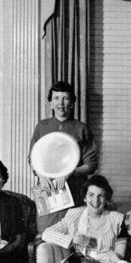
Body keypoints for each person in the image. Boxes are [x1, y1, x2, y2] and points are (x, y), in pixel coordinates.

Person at [29, 81, 99, 232]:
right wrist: (40, 175)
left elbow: (91, 163)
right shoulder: (42, 126)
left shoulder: (81, 129)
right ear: (51, 103)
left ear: (72, 103)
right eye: (56, 98)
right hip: (47, 193)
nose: (61, 103)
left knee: (74, 237)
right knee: (47, 236)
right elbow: (32, 158)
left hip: (74, 193)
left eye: (65, 98)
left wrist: (69, 173)